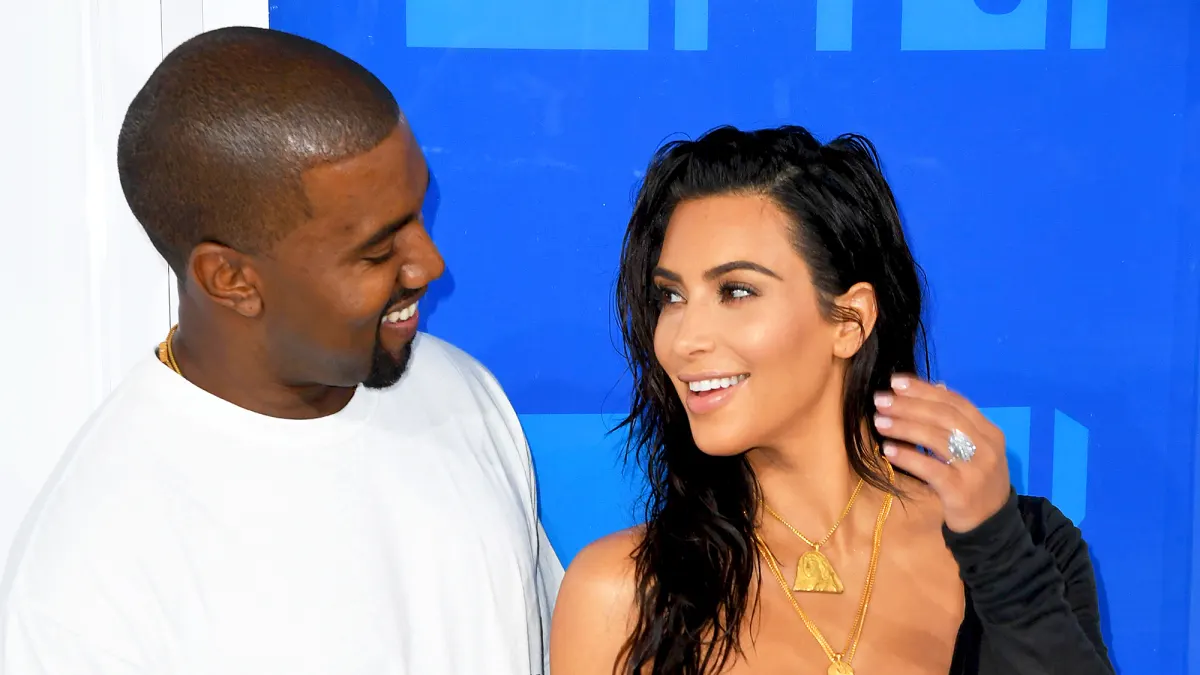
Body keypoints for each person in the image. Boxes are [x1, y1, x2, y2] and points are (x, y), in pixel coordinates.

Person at [0, 26, 561, 675]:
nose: (429, 264)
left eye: (418, 213)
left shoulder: (457, 389)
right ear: (231, 279)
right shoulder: (90, 585)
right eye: (379, 249)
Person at [550, 125, 1113, 674]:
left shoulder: (1030, 549)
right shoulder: (623, 593)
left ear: (849, 320)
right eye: (671, 297)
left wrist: (998, 550)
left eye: (736, 291)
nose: (682, 339)